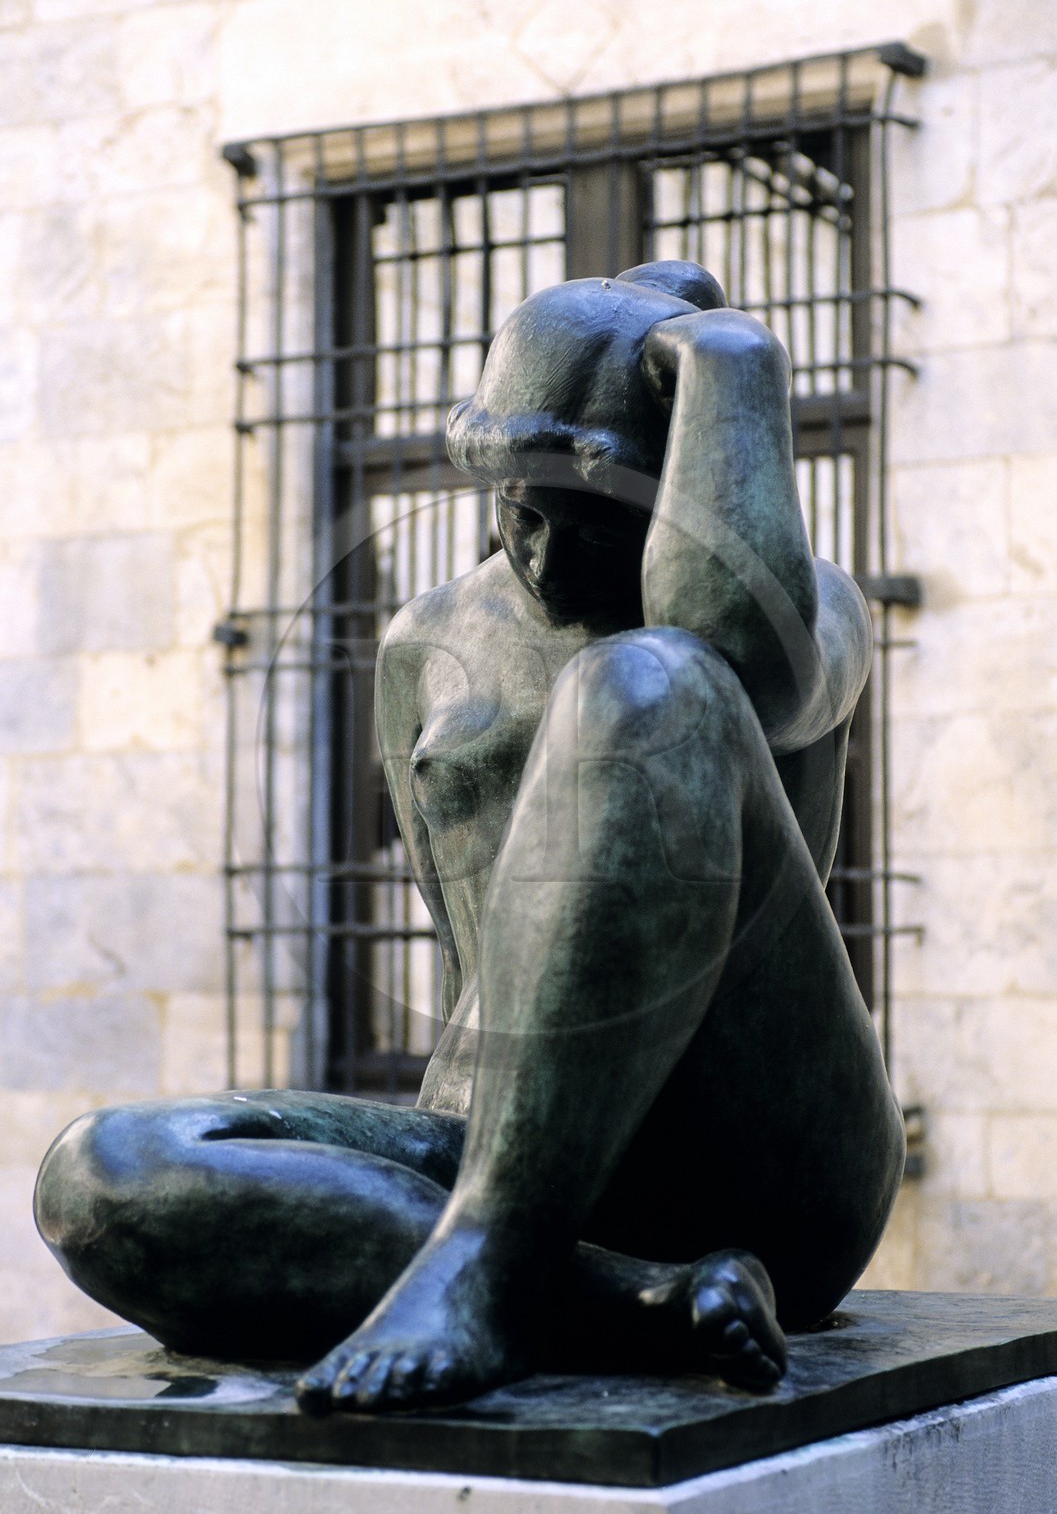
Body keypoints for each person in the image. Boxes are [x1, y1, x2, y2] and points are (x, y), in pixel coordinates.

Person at [34, 260, 905, 1415]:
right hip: (503, 1135)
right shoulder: (429, 640)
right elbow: (471, 952)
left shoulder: (806, 612)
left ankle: (488, 1263)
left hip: (759, 1160)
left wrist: (731, 363)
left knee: (648, 682)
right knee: (106, 1173)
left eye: (596, 525)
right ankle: (634, 1301)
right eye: (518, 511)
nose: (542, 559)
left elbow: (726, 647)